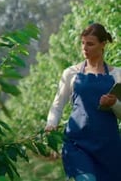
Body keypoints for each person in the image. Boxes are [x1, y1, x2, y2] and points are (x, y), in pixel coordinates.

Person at [45, 23, 121, 181]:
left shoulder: (117, 75)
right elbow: (57, 105)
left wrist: (113, 104)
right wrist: (51, 124)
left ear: (103, 44)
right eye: (83, 43)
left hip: (108, 145)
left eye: (90, 44)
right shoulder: (71, 73)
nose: (85, 48)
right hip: (77, 143)